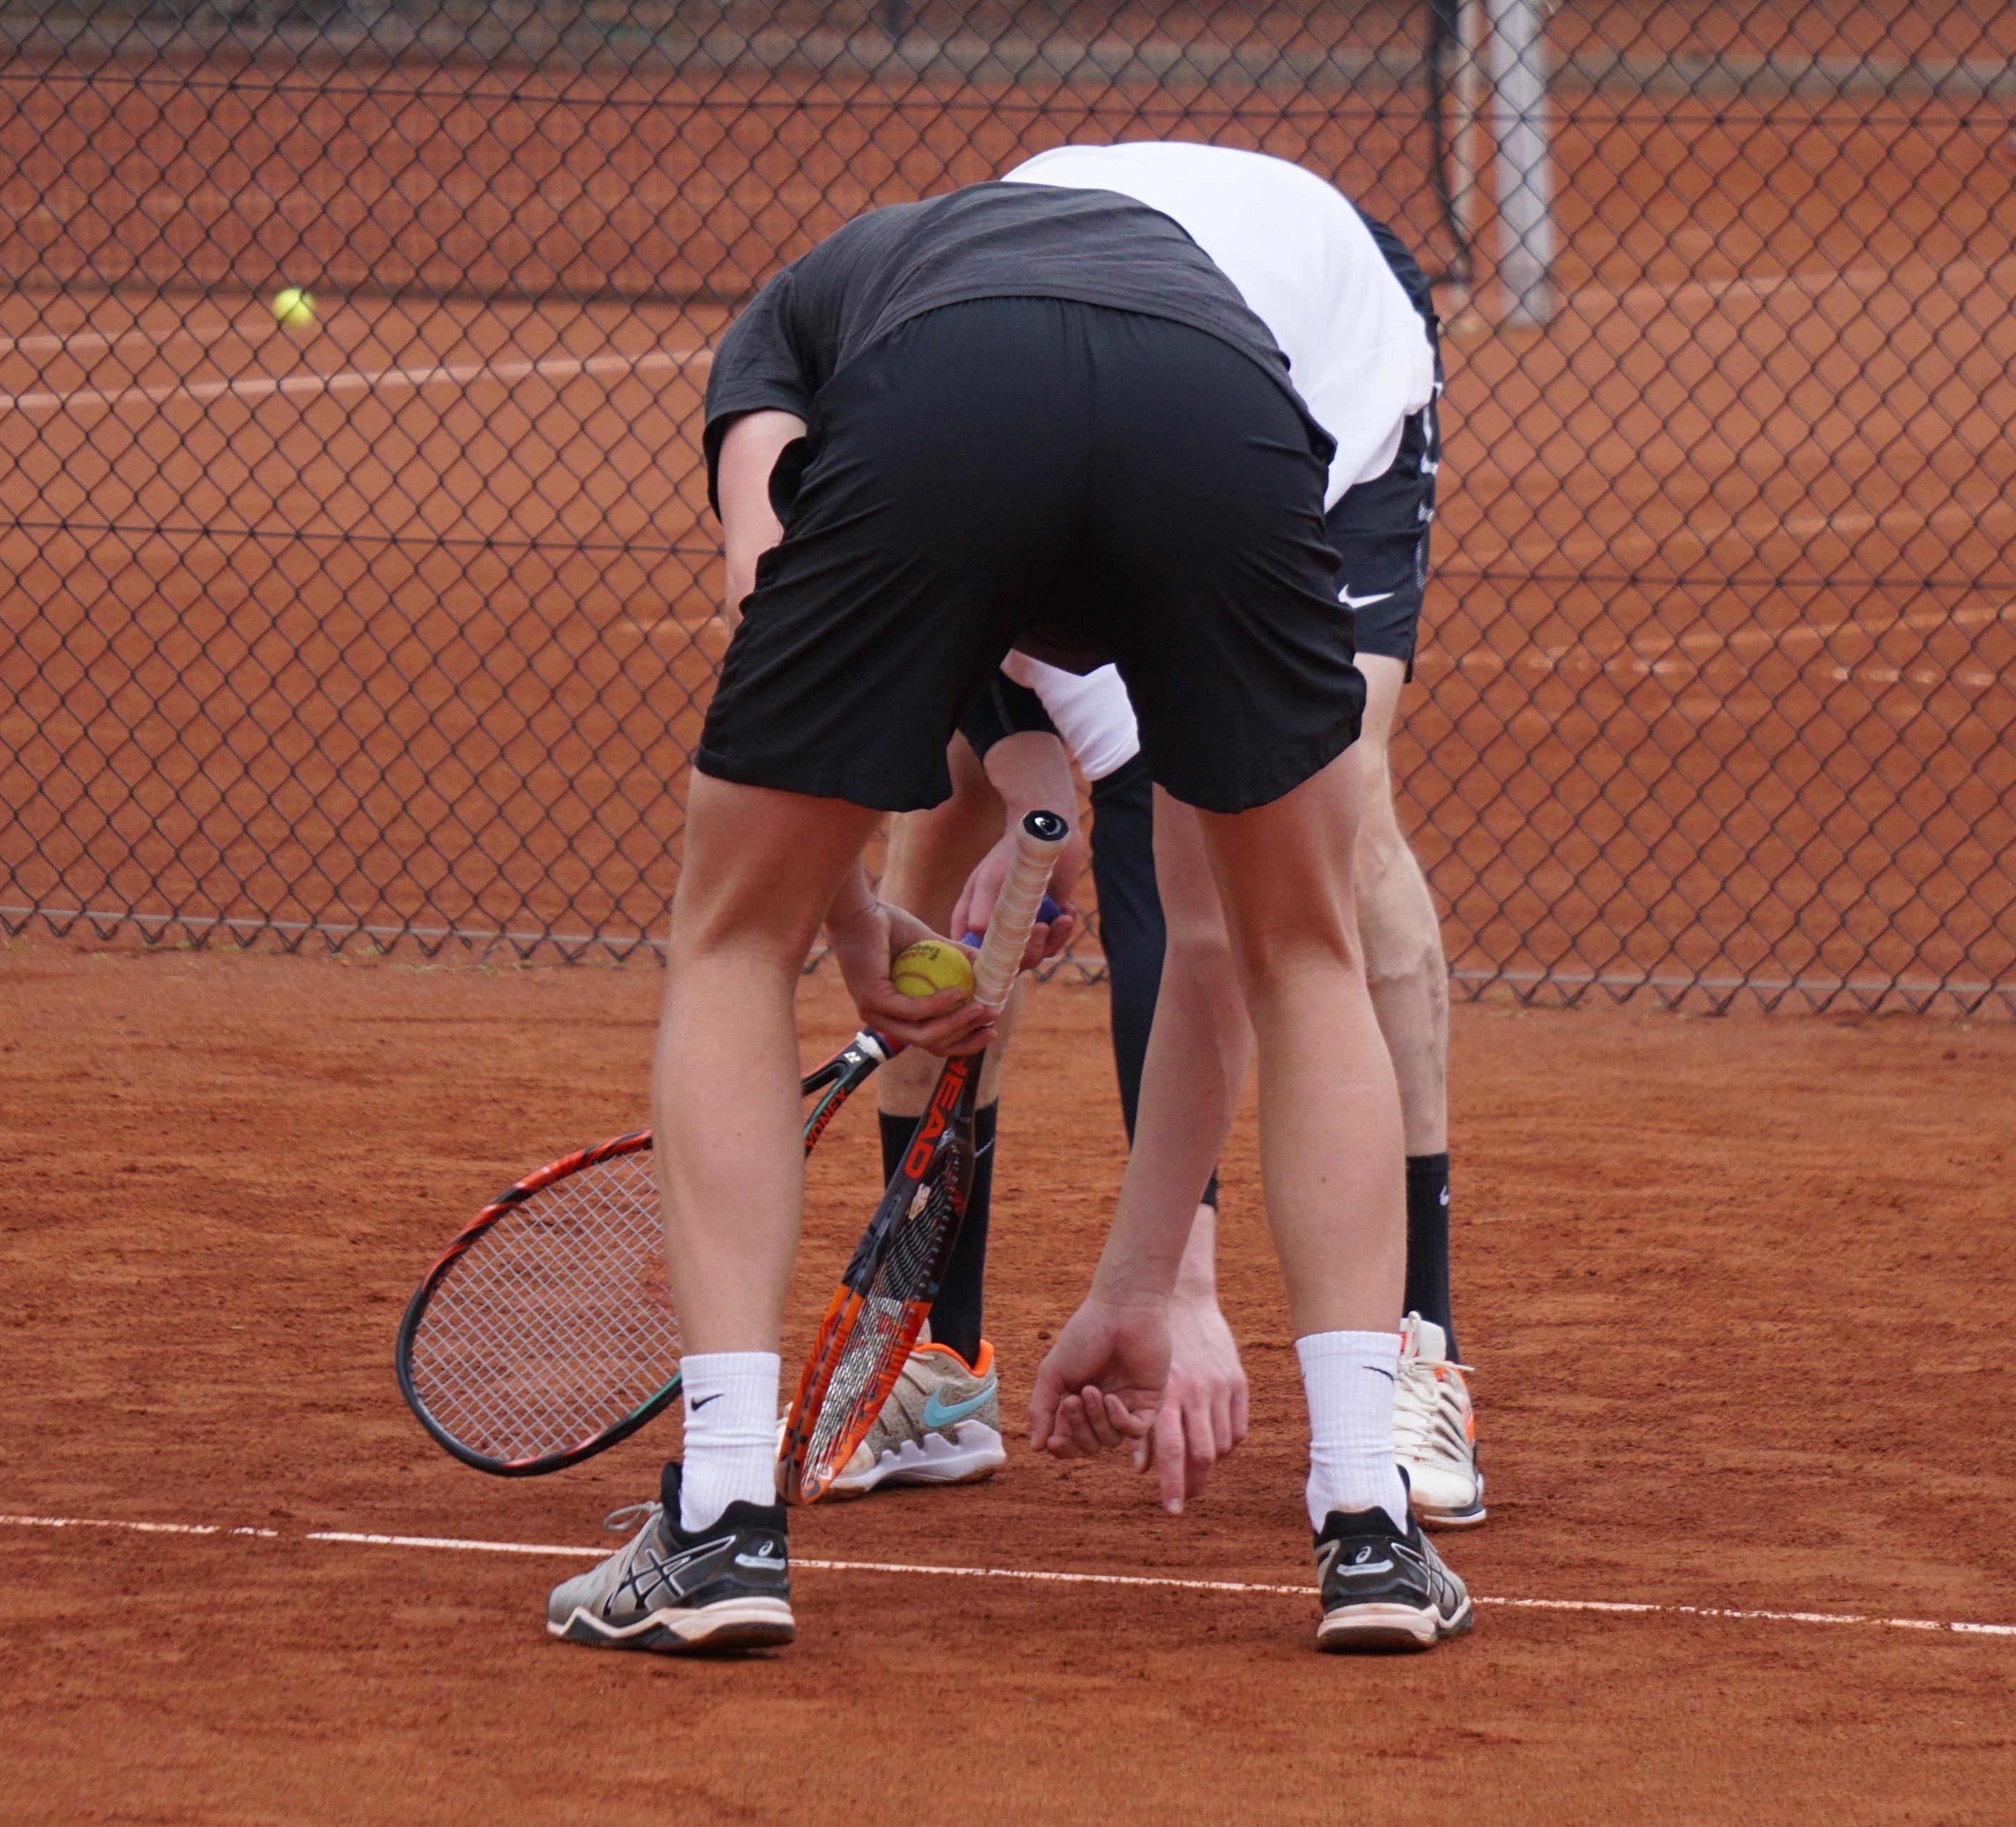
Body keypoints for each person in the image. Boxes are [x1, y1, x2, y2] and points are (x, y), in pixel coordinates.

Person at [541, 161, 1472, 1656]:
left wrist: (846, 926)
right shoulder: (1069, 279)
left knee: (729, 935)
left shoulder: (781, 345)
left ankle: (718, 1525)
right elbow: (1199, 934)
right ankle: (1371, 1523)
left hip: (991, 393)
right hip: (1213, 403)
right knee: (1304, 949)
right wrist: (1147, 1274)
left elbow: (771, 608)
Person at [833, 142, 1482, 1532]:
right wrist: (1031, 797)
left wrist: (1173, 1280)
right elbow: (931, 678)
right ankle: (930, 1357)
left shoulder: (1176, 509)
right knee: (932, 814)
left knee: (1331, 819)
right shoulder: (896, 464)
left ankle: (1415, 1345)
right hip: (1050, 350)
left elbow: (1183, 931)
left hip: (1312, 352)